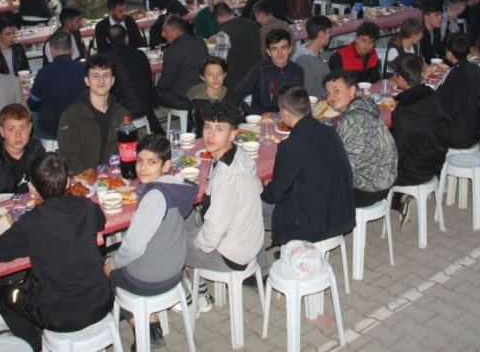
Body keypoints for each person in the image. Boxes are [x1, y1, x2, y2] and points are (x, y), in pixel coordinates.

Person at [0, 155, 114, 350]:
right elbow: (100, 221)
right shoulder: (86, 206)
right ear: (68, 182)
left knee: (3, 295)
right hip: (102, 300)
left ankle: (35, 345)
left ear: (32, 189)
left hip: (60, 315)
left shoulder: (31, 222)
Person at [107, 135, 198, 347]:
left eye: (152, 162)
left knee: (109, 271)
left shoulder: (154, 197)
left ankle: (143, 330)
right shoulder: (175, 187)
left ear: (166, 165)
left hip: (151, 278)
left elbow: (134, 247)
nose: (143, 168)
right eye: (140, 160)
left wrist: (113, 263)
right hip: (174, 272)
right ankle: (152, 321)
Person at [185, 102, 264, 298]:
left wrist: (195, 242)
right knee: (184, 215)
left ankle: (197, 295)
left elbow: (212, 235)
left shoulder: (228, 176)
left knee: (170, 246)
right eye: (207, 127)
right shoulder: (238, 154)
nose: (210, 135)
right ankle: (198, 283)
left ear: (233, 134)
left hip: (230, 254)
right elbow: (259, 188)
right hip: (246, 241)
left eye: (219, 129)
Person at [261, 85, 355, 244]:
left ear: (284, 113)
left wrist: (262, 188)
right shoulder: (330, 130)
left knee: (251, 203)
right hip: (342, 214)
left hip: (313, 225)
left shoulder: (291, 146)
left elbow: (274, 195)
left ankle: (262, 260)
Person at [388, 54, 449, 219]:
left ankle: (399, 202)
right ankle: (404, 196)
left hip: (416, 170)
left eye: (395, 75)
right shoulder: (432, 94)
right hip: (437, 161)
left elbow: (397, 151)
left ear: (402, 79)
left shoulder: (403, 111)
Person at [324, 71, 397, 206]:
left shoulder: (352, 121)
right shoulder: (365, 107)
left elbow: (345, 168)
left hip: (368, 189)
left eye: (336, 91)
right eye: (328, 93)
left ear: (352, 91)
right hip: (383, 179)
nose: (331, 97)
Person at [58, 54, 129, 174]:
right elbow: (69, 159)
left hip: (115, 178)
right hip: (84, 181)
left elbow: (128, 152)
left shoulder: (122, 115)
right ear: (87, 81)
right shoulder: (72, 116)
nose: (101, 80)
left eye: (106, 75)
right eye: (95, 76)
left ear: (112, 81)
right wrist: (93, 178)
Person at [0, 103, 46, 195]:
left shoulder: (37, 151)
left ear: (30, 128)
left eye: (23, 128)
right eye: (11, 129)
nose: (18, 135)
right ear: (2, 131)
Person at [28, 31, 86, 140]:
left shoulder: (43, 73)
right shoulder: (85, 69)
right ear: (72, 49)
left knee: (33, 113)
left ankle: (38, 147)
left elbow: (33, 103)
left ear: (51, 50)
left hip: (51, 130)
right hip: (81, 126)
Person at [107, 24, 163, 133]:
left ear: (108, 41)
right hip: (147, 103)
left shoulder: (108, 60)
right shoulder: (139, 54)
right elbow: (148, 79)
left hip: (125, 108)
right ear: (126, 37)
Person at [235, 28, 304, 113]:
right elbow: (237, 94)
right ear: (268, 52)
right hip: (261, 118)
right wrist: (252, 113)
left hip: (288, 118)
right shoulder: (260, 70)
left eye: (283, 47)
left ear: (290, 49)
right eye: (274, 49)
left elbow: (298, 100)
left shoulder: (297, 71)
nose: (280, 53)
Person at [436, 34, 480, 149]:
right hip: (476, 131)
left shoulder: (452, 73)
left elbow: (437, 100)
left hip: (455, 137)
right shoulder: (477, 69)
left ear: (449, 53)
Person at [156, 15, 209, 110]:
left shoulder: (172, 51)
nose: (162, 35)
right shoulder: (199, 41)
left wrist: (156, 88)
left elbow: (165, 82)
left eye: (165, 31)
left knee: (152, 92)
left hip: (183, 99)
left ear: (174, 31)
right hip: (204, 92)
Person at [213, 2, 262, 90]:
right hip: (258, 75)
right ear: (231, 12)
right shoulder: (251, 23)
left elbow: (219, 62)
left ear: (217, 19)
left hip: (237, 82)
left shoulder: (223, 34)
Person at [188, 56, 239, 137]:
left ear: (224, 75)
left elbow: (241, 117)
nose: (215, 78)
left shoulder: (231, 95)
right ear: (203, 77)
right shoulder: (197, 102)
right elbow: (193, 131)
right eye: (210, 75)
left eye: (219, 74)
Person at [292, 15, 332, 98]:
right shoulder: (303, 60)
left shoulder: (320, 51)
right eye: (329, 32)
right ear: (321, 34)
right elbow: (308, 92)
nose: (330, 35)